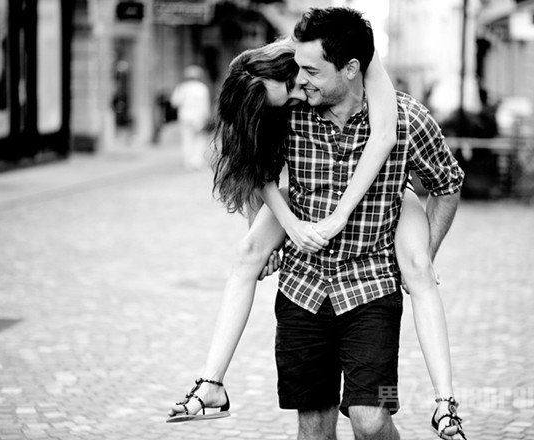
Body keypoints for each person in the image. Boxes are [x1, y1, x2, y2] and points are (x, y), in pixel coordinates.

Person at [167, 9, 467, 440]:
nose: (301, 84)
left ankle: (443, 403)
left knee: (372, 418)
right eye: (298, 73)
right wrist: (268, 230)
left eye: (311, 73)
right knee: (313, 426)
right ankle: (211, 382)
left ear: (350, 69)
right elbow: (254, 165)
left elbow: (448, 182)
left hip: (371, 290)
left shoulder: (406, 118)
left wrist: (422, 257)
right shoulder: (289, 111)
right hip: (302, 291)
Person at [170, 65, 211, 170]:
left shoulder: (182, 87)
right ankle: (197, 161)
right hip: (199, 117)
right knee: (200, 139)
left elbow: (175, 102)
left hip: (185, 117)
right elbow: (205, 105)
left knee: (187, 139)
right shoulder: (202, 88)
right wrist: (206, 117)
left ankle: (188, 161)